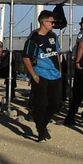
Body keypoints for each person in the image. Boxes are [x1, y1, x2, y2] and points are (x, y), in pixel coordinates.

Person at [21, 10, 63, 141]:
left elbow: (57, 53)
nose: (53, 24)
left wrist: (60, 70)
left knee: (55, 103)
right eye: (51, 22)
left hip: (55, 75)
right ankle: (40, 131)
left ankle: (43, 125)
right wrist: (34, 75)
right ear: (43, 22)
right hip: (41, 74)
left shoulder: (53, 36)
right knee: (41, 103)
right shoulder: (33, 39)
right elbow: (26, 58)